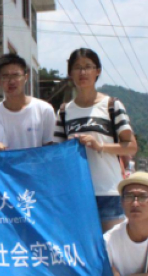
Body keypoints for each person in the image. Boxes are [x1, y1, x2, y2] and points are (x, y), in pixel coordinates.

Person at [54, 48, 137, 232]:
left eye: (88, 67)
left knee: (111, 248)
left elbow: (131, 147)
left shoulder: (112, 105)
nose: (83, 72)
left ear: (97, 71)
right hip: (76, 193)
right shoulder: (64, 111)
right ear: (70, 73)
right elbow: (56, 154)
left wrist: (100, 146)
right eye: (77, 67)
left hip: (108, 191)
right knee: (81, 248)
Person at [0, 53, 56, 150]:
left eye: (16, 75)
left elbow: (52, 150)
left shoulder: (44, 110)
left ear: (26, 77)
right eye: (5, 76)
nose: (11, 81)